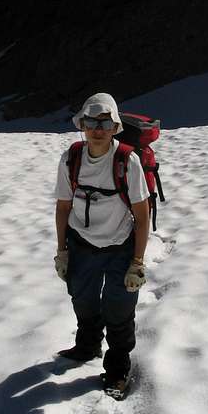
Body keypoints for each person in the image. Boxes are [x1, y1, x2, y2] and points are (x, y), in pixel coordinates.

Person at [54, 93, 150, 397]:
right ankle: (88, 345)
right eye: (92, 122)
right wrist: (62, 251)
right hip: (81, 244)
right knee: (82, 299)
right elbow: (62, 206)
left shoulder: (127, 161)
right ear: (82, 124)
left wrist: (137, 262)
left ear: (115, 126)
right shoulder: (72, 158)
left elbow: (142, 212)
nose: (98, 128)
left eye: (105, 122)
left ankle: (118, 369)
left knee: (119, 309)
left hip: (120, 246)